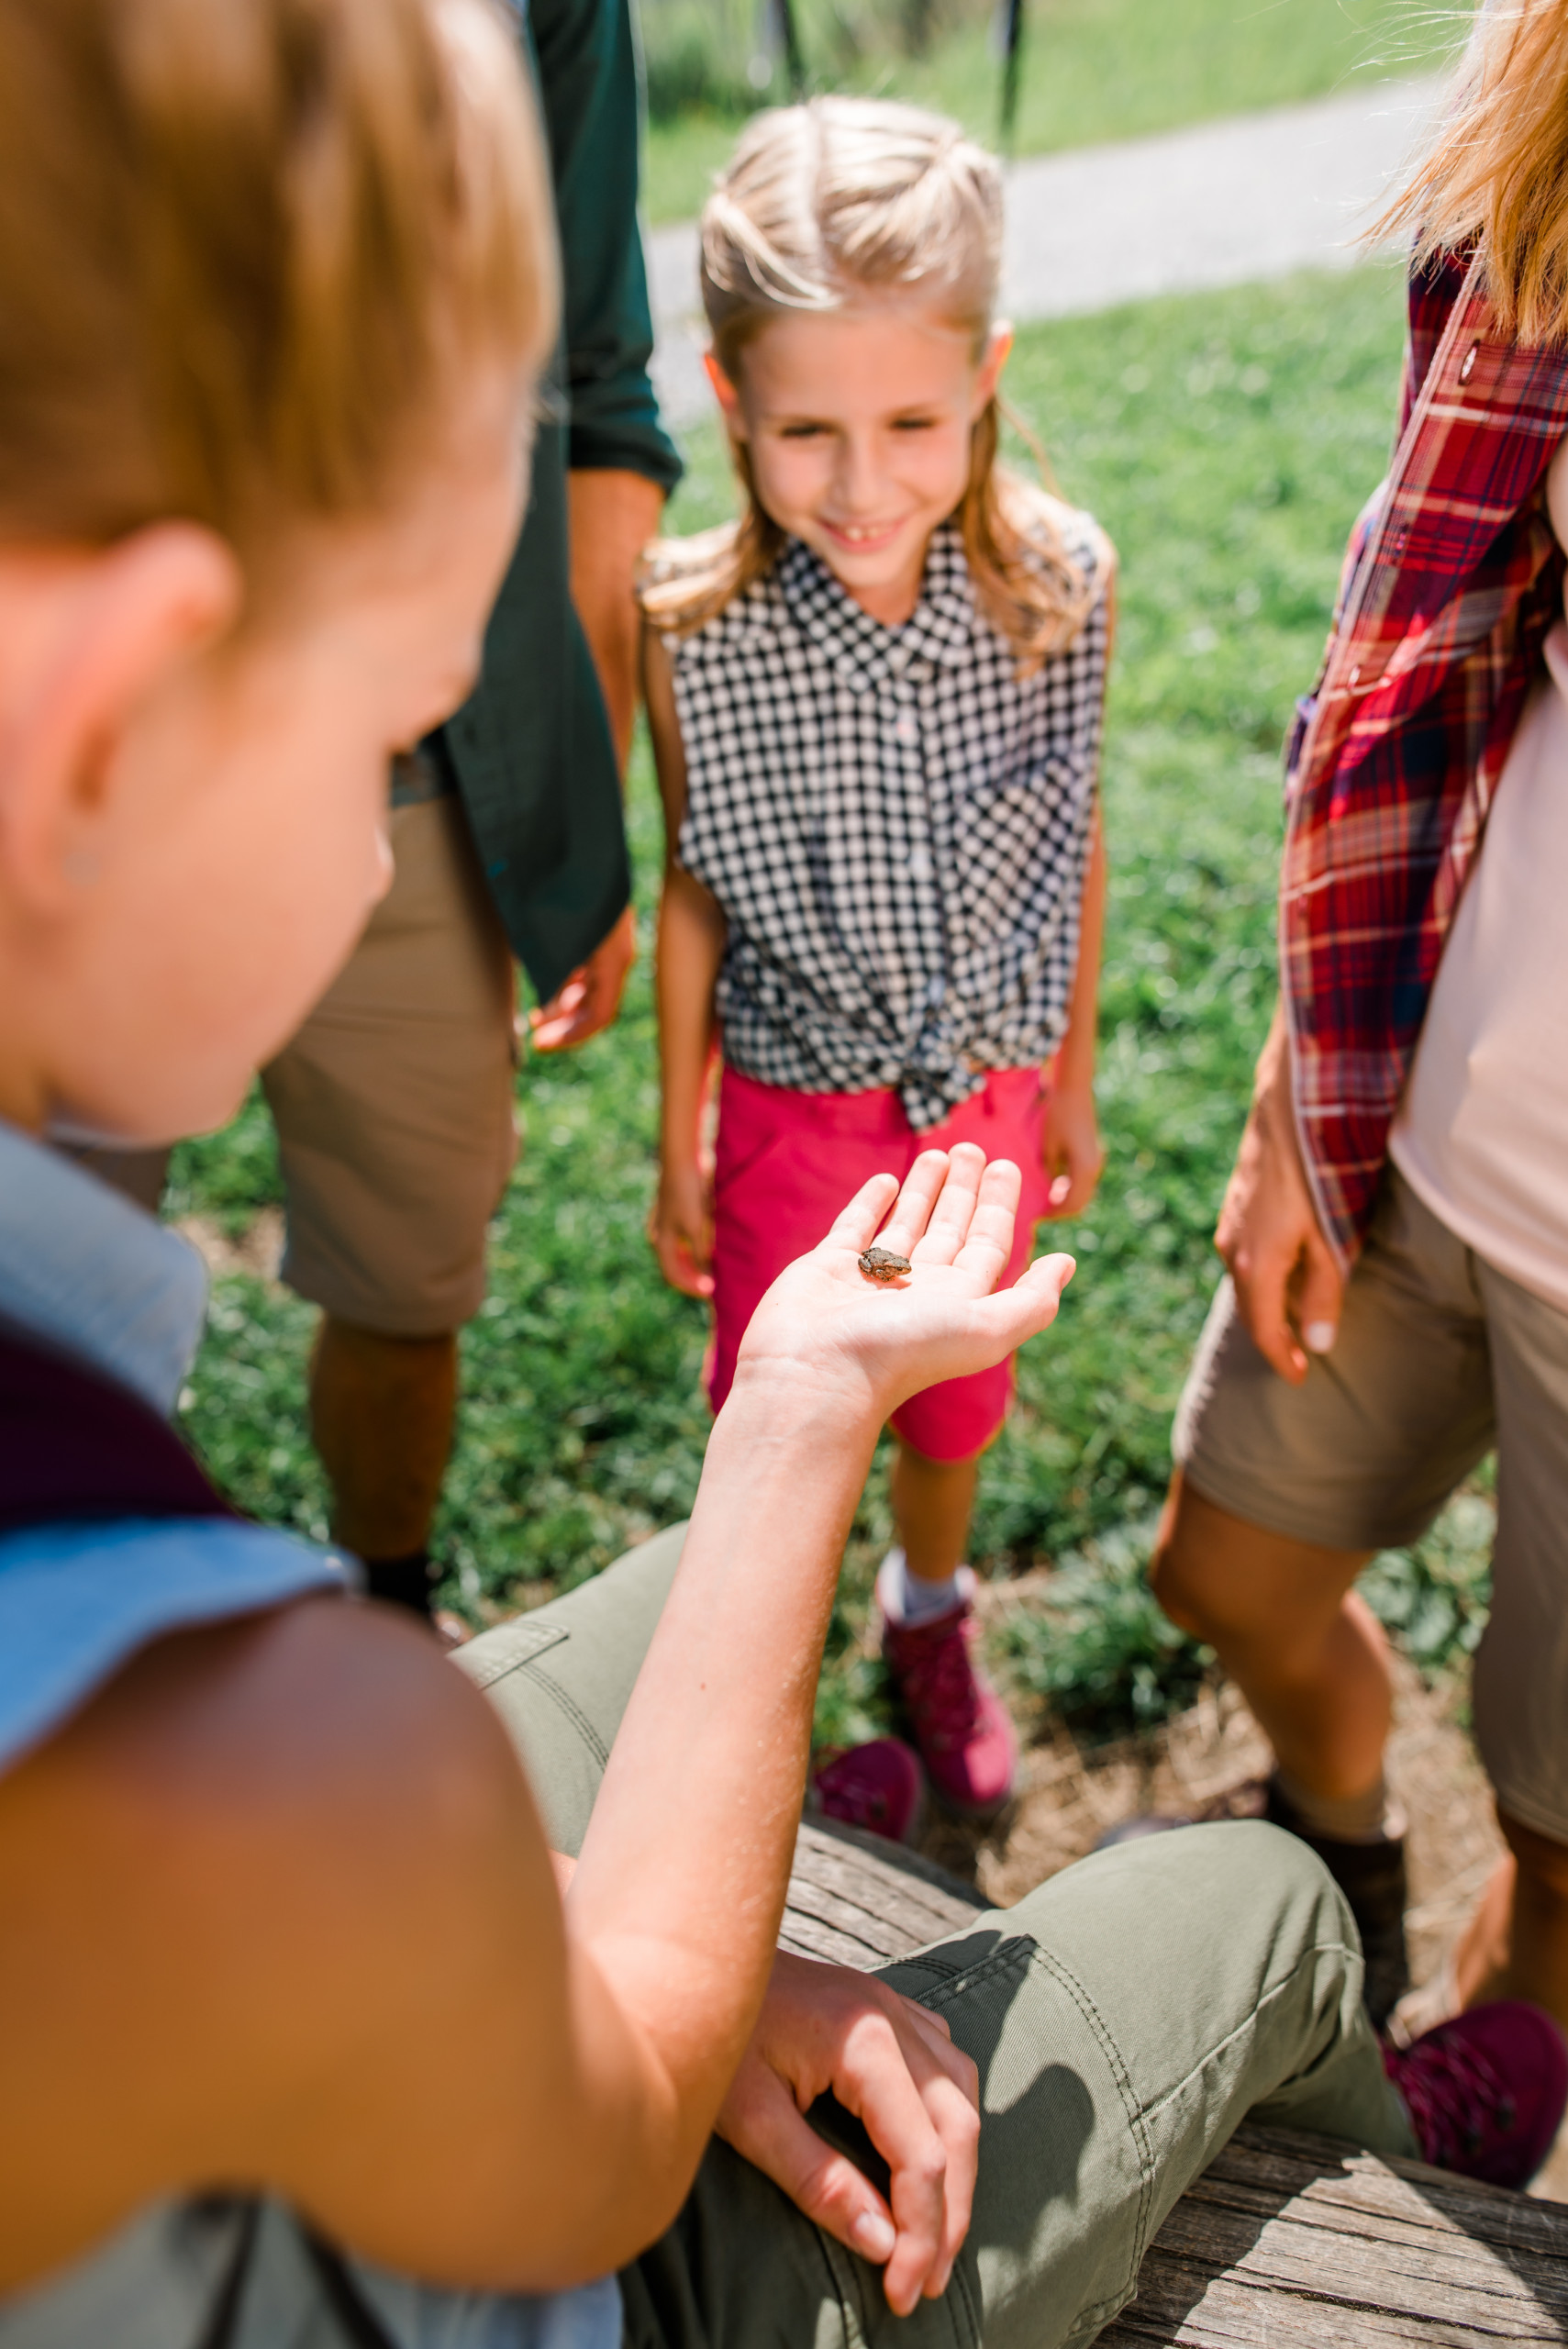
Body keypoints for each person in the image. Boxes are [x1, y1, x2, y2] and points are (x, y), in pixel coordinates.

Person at [2, 7, 1563, 2345]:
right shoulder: (204, 1698)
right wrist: (807, 1396)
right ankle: (1359, 2156)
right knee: (1243, 1890)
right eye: (375, 732)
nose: (366, 864)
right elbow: (607, 2112)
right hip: (544, 2240)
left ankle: (896, 1690)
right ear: (119, 716)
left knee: (682, 1603)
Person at [72, 0, 681, 1631]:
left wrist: (572, 792)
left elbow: (598, 396)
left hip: (433, 799)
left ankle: (389, 1602)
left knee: (411, 1284)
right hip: (87, 814)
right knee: (55, 1307)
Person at [1149, 0, 1568, 2037]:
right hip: (1418, 1126)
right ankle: (1341, 1828)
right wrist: (1282, 1096)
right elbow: (1424, 660)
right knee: (1220, 1565)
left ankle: (1504, 2039)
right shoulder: (1550, 179)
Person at [640, 100, 1111, 1826]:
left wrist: (1063, 1074)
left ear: (984, 375)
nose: (860, 483)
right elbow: (693, 882)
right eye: (805, 430)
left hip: (979, 1099)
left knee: (951, 1401)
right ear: (727, 401)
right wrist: (677, 1131)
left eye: (912, 420)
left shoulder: (1061, 587)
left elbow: (1076, 838)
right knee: (792, 1422)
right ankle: (773, 1694)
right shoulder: (690, 625)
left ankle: (927, 1617)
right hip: (786, 1109)